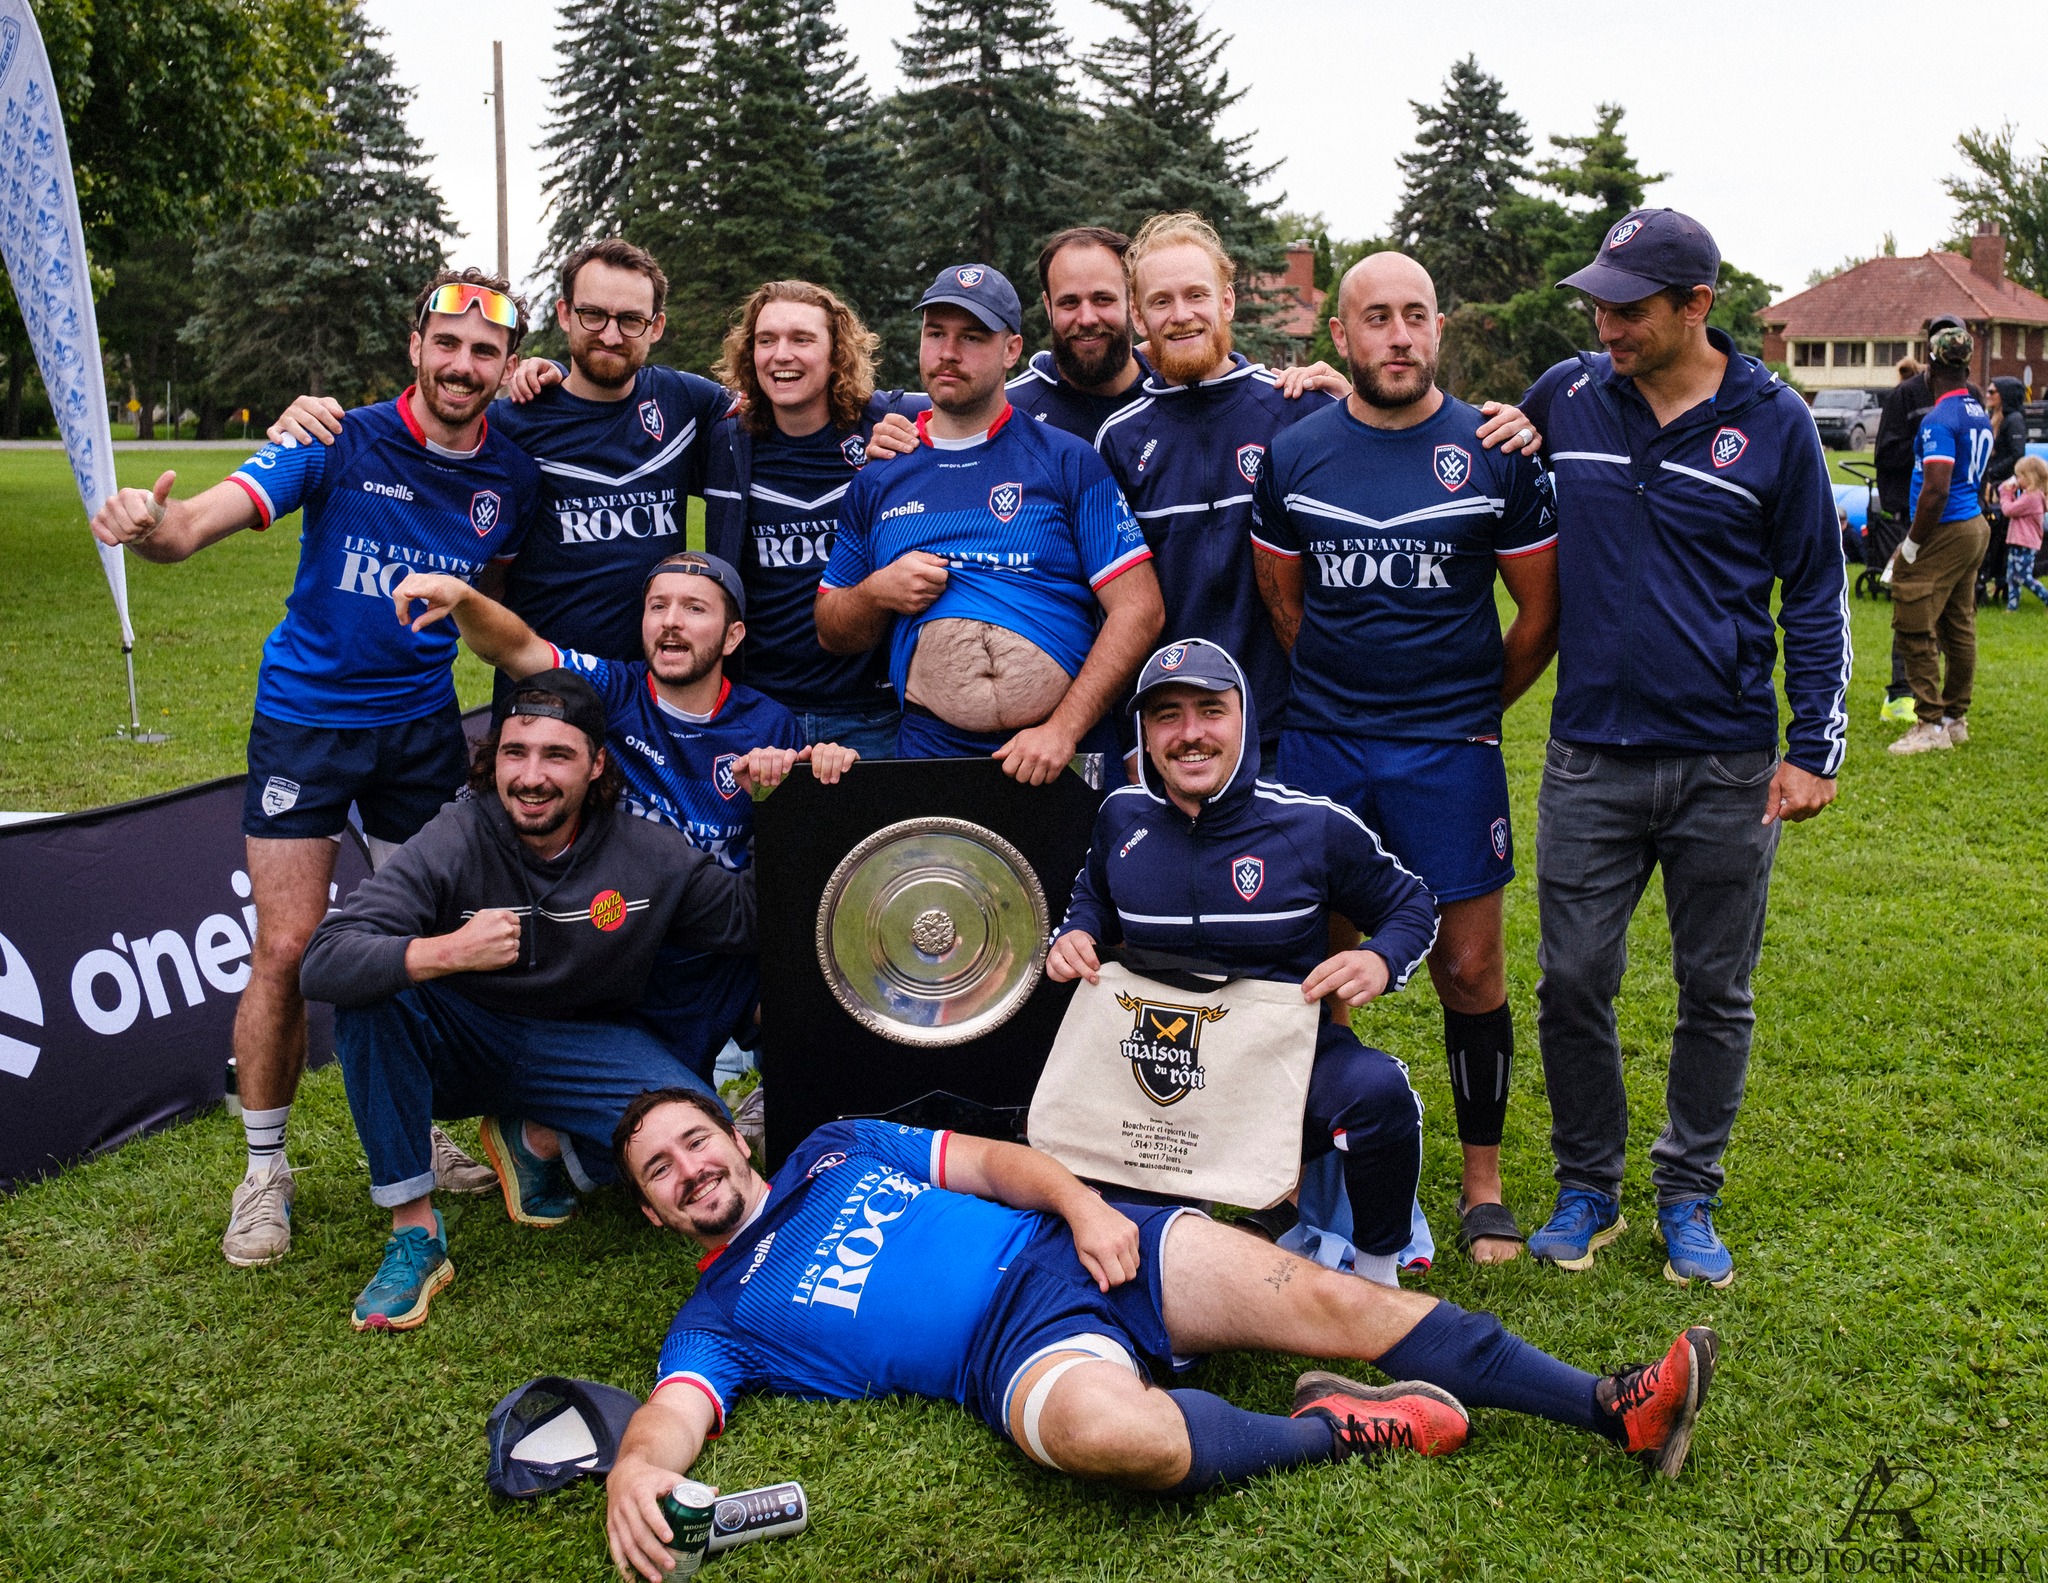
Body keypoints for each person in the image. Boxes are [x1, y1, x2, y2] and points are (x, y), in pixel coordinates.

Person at [601, 1089, 1719, 1581]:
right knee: (1111, 1436)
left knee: (1340, 1301)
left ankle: (1607, 1403)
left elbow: (995, 1164)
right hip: (1010, 1350)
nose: (691, 1168)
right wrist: (633, 1474)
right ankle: (1338, 1428)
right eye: (662, 1168)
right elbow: (670, 1415)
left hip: (1080, 1246)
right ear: (652, 1210)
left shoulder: (833, 1146)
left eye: (696, 1140)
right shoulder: (720, 1314)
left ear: (731, 1136)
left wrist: (1085, 1208)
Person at [89, 268, 547, 1270]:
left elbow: (495, 608)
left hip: (421, 729)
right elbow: (196, 523)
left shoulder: (510, 475)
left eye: (485, 351)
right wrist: (147, 526)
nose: (463, 365)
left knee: (429, 938)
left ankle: (416, 1122)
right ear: (415, 344)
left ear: (506, 363)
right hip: (306, 722)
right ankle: (265, 1171)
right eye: (448, 344)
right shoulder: (332, 436)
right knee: (290, 949)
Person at [1515, 209, 1848, 1288]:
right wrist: (1328, 393)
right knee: (1572, 978)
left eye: (1628, 307)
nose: (1605, 324)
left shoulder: (1775, 422)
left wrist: (1814, 748)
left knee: (1716, 990)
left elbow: (1815, 590)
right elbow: (1431, 437)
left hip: (1725, 764)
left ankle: (1686, 1190)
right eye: (1596, 305)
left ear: (1695, 305)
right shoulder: (1566, 395)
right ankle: (1586, 1184)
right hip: (1588, 757)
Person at [1249, 252, 1559, 1265]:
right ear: (1339, 337)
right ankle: (1299, 1170)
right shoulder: (1294, 456)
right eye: (1374, 317)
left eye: (1414, 316)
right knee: (1317, 963)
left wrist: (1466, 710)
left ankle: (1481, 1185)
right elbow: (1283, 603)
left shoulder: (1493, 450)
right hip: (1325, 743)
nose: (1396, 335)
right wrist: (1351, 698)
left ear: (1437, 329)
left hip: (1448, 750)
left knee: (1469, 965)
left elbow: (1538, 613)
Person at [266, 240, 919, 705]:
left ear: (656, 326)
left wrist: (885, 423)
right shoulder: (518, 416)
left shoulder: (691, 404)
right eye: (594, 315)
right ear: (563, 316)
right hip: (539, 684)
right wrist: (324, 420)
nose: (610, 332)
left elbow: (801, 401)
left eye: (629, 318)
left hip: (656, 686)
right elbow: (429, 443)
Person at [298, 671, 756, 1332]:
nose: (531, 775)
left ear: (597, 765)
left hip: (577, 1047)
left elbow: (747, 920)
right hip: (461, 1042)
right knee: (374, 994)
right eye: (516, 752)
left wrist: (779, 799)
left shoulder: (645, 851)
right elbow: (325, 956)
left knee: (696, 1124)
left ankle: (536, 1139)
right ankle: (414, 1232)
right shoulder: (458, 833)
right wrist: (444, 951)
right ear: (494, 757)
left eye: (557, 755)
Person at [1047, 638, 1437, 1288]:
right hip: (1159, 1065)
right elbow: (1093, 895)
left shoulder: (1311, 827)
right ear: (1143, 732)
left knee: (1377, 1093)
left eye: (1210, 710)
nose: (1190, 733)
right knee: (1141, 1272)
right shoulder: (1121, 816)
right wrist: (1076, 933)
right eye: (1167, 715)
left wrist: (1380, 956)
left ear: (1245, 720)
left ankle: (1374, 1279)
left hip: (1278, 1057)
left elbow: (1411, 903)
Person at [1099, 214, 1545, 767]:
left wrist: (1515, 426)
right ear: (1138, 316)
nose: (1182, 314)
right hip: (1171, 732)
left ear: (1229, 302)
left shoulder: (1296, 409)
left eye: (1197, 294)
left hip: (1294, 726)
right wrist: (1132, 730)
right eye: (1161, 301)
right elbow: (1112, 606)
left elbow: (1394, 426)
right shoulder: (1117, 441)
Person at [388, 552, 853, 1079]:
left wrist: (822, 779)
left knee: (820, 1000)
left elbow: (799, 857)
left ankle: (775, 1108)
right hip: (629, 950)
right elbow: (515, 648)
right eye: (658, 606)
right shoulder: (612, 691)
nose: (671, 621)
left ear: (732, 637)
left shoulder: (770, 723)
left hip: (723, 946)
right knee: (609, 1142)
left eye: (694, 608)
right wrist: (467, 598)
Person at [816, 264, 1165, 779]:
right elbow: (831, 630)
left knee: (1085, 865)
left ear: (1011, 350)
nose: (948, 353)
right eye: (936, 334)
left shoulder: (1066, 461)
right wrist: (876, 593)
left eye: (972, 337)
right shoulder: (882, 475)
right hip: (936, 748)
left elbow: (1140, 609)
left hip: (1063, 748)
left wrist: (1063, 728)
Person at [702, 280, 927, 758]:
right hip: (760, 711)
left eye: (802, 339)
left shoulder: (889, 423)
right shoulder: (723, 440)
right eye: (766, 340)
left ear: (836, 353)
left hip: (874, 712)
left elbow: (984, 398)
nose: (782, 355)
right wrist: (550, 369)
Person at [1886, 327, 1994, 756]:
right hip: (1974, 524)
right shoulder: (1977, 410)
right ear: (1966, 366)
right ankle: (1954, 717)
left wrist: (1911, 544)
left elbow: (1936, 489)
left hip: (1946, 525)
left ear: (1930, 367)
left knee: (1913, 615)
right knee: (1958, 622)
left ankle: (1930, 724)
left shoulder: (1940, 418)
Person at [1873, 316, 1978, 723]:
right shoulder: (1909, 395)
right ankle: (1917, 701)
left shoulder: (1958, 405)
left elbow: (1945, 480)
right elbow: (1886, 455)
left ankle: (1936, 716)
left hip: (1943, 517)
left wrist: (1935, 446)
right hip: (1919, 514)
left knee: (1926, 612)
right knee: (1936, 613)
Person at [1007, 226, 1154, 437]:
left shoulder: (1175, 396)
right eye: (1069, 302)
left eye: (1103, 299)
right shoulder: (1012, 415)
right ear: (1048, 307)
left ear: (1132, 300)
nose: (1087, 319)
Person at [1980, 376, 2030, 605]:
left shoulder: (2014, 420)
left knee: (1999, 535)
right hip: (1992, 482)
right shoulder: (1995, 417)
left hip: (2004, 486)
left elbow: (2016, 454)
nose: (1988, 395)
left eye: (1993, 392)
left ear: (2004, 395)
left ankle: (1999, 577)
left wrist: (1992, 473)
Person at [1998, 455, 2048, 612]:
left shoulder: (2032, 497)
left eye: (2019, 476)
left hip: (2025, 543)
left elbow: (2008, 510)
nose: (2016, 480)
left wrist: (2004, 493)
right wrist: (2011, 494)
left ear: (2030, 478)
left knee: (2023, 577)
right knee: (2012, 577)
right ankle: (2012, 607)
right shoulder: (2029, 495)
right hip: (2018, 541)